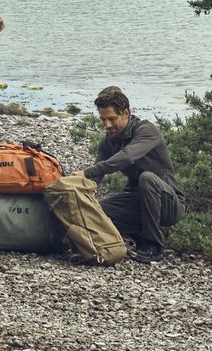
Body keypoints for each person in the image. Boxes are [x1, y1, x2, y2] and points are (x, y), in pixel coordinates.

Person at [72, 88, 185, 263]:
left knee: (147, 178)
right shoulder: (107, 142)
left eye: (112, 119)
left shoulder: (146, 130)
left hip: (169, 205)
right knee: (95, 211)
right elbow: (95, 179)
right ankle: (136, 235)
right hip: (137, 201)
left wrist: (87, 172)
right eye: (103, 120)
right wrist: (72, 189)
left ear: (126, 113)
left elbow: (127, 156)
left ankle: (152, 246)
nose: (107, 125)